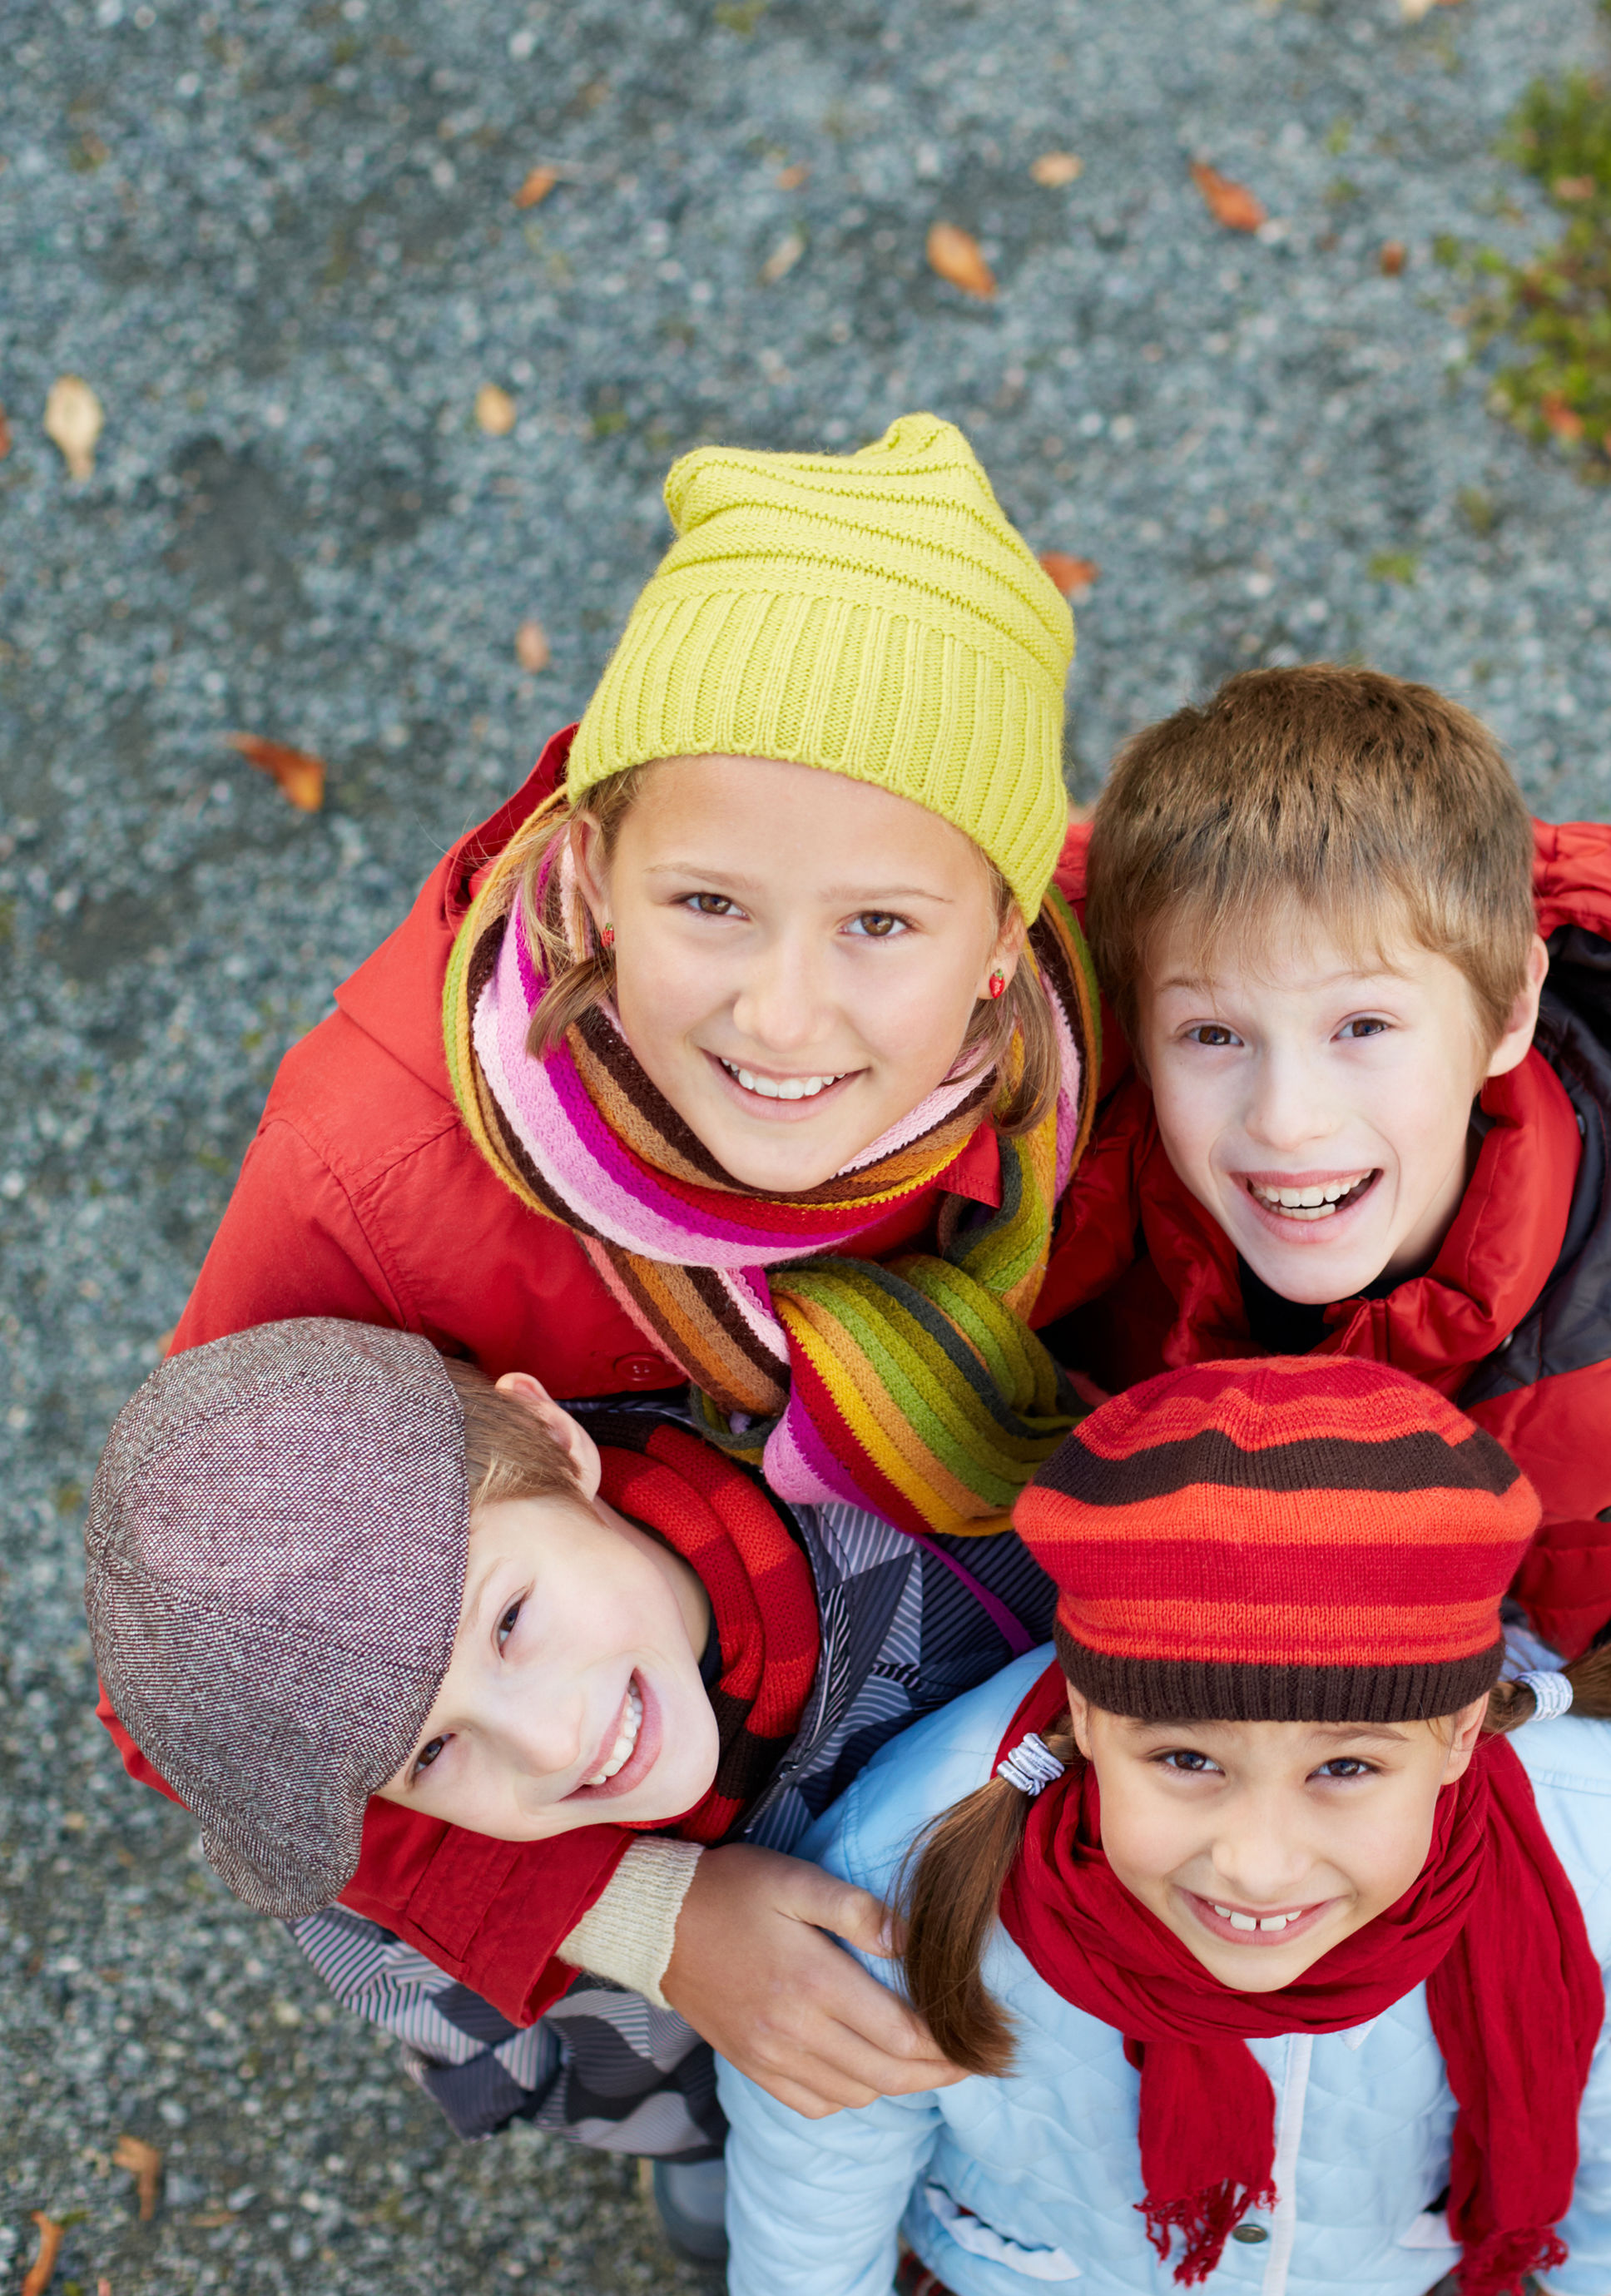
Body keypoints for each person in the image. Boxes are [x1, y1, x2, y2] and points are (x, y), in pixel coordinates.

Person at [114, 414, 1113, 2144]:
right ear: (591, 869)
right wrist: (645, 1916)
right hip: (606, 1806)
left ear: (1002, 941)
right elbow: (193, 1684)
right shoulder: (372, 1172)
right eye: (708, 904)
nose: (782, 1019)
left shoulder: (1078, 1056)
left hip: (896, 1671)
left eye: (879, 926)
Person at [717, 1356, 1611, 2296]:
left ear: (1460, 1732)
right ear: (1090, 1715)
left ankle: (1430, 2289)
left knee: (1416, 2222)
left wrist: (1603, 2236)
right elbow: (820, 2130)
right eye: (1187, 1760)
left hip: (1400, 2223)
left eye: (1346, 1768)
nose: (1255, 1863)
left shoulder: (1599, 1841)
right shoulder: (909, 1864)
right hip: (1057, 2254)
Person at [84, 1319, 1060, 2247]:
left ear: (555, 1442)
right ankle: (707, 2141)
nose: (549, 1748)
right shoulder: (402, 1889)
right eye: (431, 1752)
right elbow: (495, 2039)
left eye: (508, 1622)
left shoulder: (910, 1510)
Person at [1040, 665, 1611, 1722]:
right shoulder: (1063, 1189)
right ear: (1135, 1031)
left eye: (1362, 1028)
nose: (1286, 1119)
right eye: (1213, 1034)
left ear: (1507, 1011)